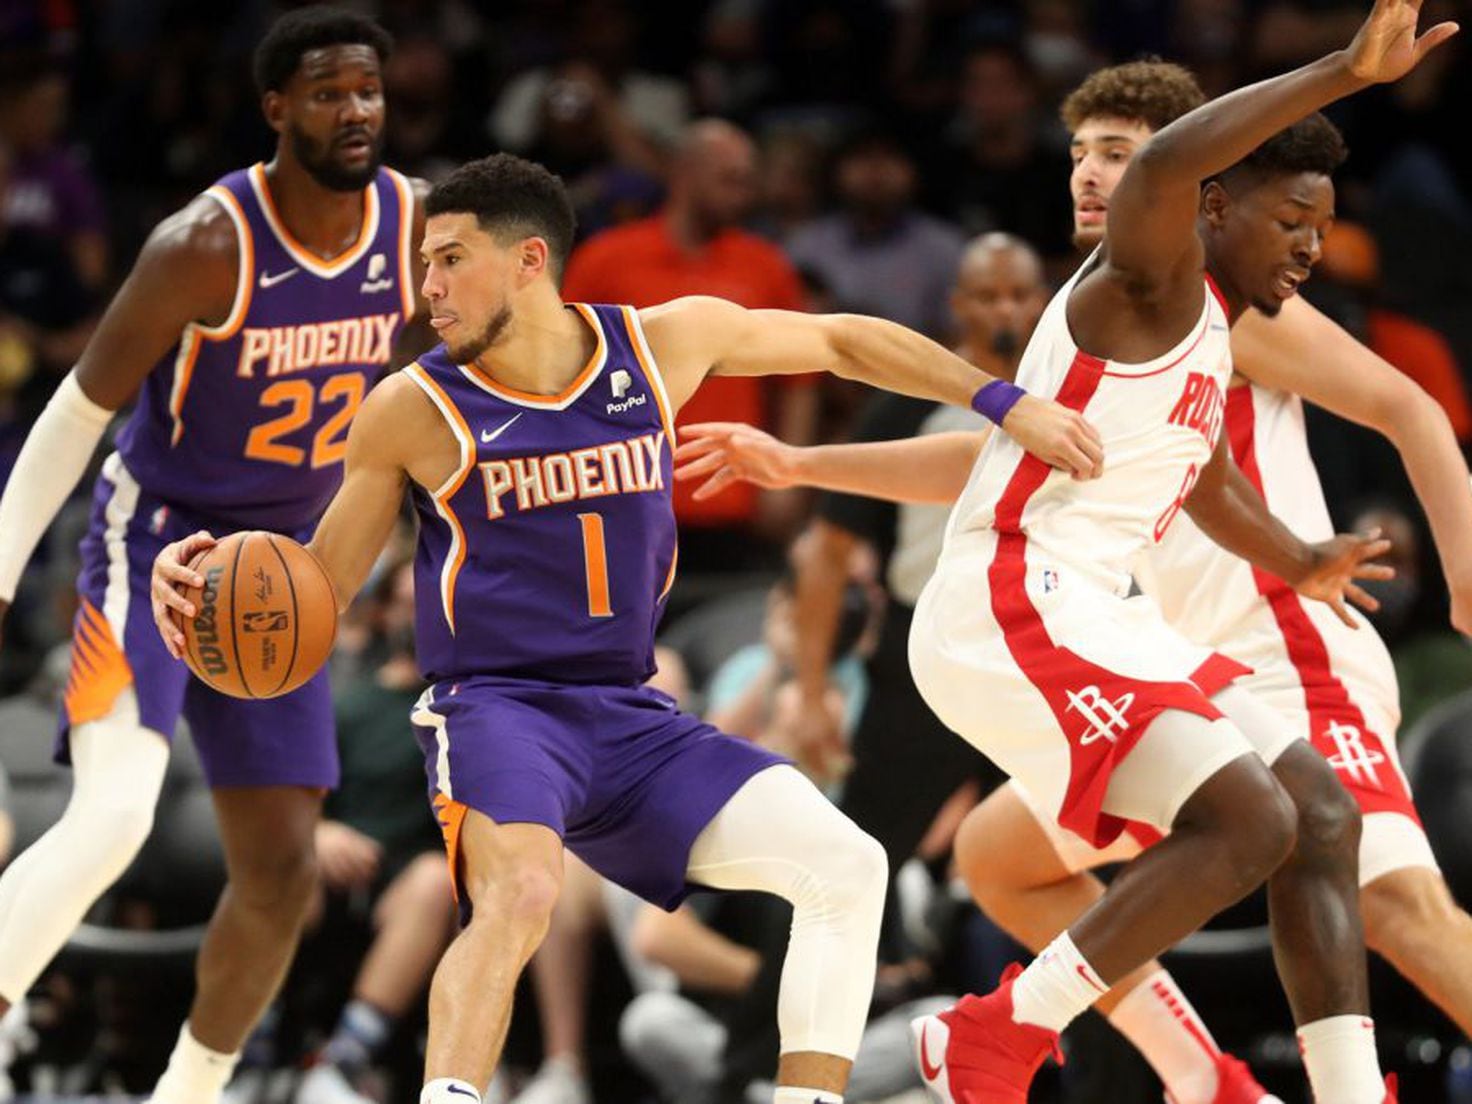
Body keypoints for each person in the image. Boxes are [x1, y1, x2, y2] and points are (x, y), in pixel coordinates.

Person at [147, 149, 1104, 1104]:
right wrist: (199, 587)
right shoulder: (413, 407)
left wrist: (1003, 401)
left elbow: (843, 343)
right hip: (499, 707)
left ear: (529, 263)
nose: (425, 287)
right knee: (519, 894)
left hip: (629, 713)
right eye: (423, 263)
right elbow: (317, 588)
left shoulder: (659, 345)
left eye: (448, 260)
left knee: (848, 864)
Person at [693, 5, 1457, 1101]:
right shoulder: (1145, 282)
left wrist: (1293, 556)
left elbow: (1195, 479)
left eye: (1319, 226)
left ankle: (1327, 1092)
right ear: (1211, 201)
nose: (1309, 247)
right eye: (1289, 218)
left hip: (1107, 614)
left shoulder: (1204, 340)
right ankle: (1000, 1032)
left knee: (1313, 818)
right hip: (1015, 602)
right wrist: (1344, 68)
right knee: (1249, 822)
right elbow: (1165, 162)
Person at [0, 9, 426, 1103]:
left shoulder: (415, 228)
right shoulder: (206, 242)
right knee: (111, 818)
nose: (355, 110)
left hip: (283, 569)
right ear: (276, 107)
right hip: (152, 548)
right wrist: (1, 570)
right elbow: (72, 414)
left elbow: (446, 392)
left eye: (368, 89)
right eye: (329, 91)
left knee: (283, 874)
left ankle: (189, 1094)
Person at [561, 118, 815, 559]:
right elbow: (560, 372)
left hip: (735, 500)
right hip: (628, 496)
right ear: (684, 174)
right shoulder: (605, 260)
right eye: (729, 180)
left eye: (747, 182)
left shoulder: (766, 265)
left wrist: (789, 474)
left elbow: (800, 380)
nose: (744, 195)